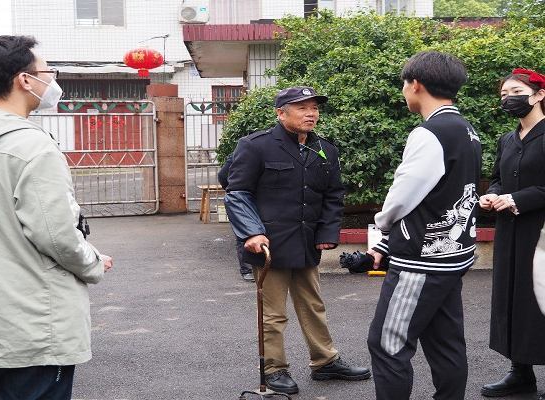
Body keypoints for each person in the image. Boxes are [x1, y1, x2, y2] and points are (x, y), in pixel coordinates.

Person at [0, 34, 113, 400]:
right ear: (25, 79)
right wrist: (93, 261)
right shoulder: (32, 146)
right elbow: (57, 236)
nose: (52, 80)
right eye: (47, 72)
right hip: (29, 320)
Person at [224, 86, 370, 395]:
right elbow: (237, 193)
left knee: (313, 305)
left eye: (314, 107)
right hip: (269, 244)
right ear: (281, 113)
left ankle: (325, 362)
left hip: (306, 241)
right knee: (274, 313)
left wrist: (327, 233)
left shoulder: (325, 149)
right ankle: (274, 368)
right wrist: (251, 231)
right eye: (302, 107)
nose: (311, 113)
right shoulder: (256, 146)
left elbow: (333, 195)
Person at [366, 51, 482, 400]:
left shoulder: (430, 132)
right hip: (454, 254)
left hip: (421, 260)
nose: (404, 91)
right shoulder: (467, 129)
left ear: (415, 84)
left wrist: (383, 225)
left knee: (387, 343)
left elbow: (403, 194)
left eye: (404, 84)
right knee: (445, 341)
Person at [479, 68, 545, 399]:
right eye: (504, 94)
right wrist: (492, 195)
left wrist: (518, 199)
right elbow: (497, 178)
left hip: (541, 233)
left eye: (517, 92)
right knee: (514, 298)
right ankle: (521, 372)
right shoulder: (506, 139)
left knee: (541, 299)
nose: (509, 99)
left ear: (539, 94)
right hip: (510, 233)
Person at [217, 152, 254, 282]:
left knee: (245, 233)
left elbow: (223, 175)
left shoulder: (243, 150)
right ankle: (247, 269)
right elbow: (223, 175)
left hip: (245, 198)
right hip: (246, 198)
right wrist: (233, 191)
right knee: (245, 233)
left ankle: (248, 270)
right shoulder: (242, 151)